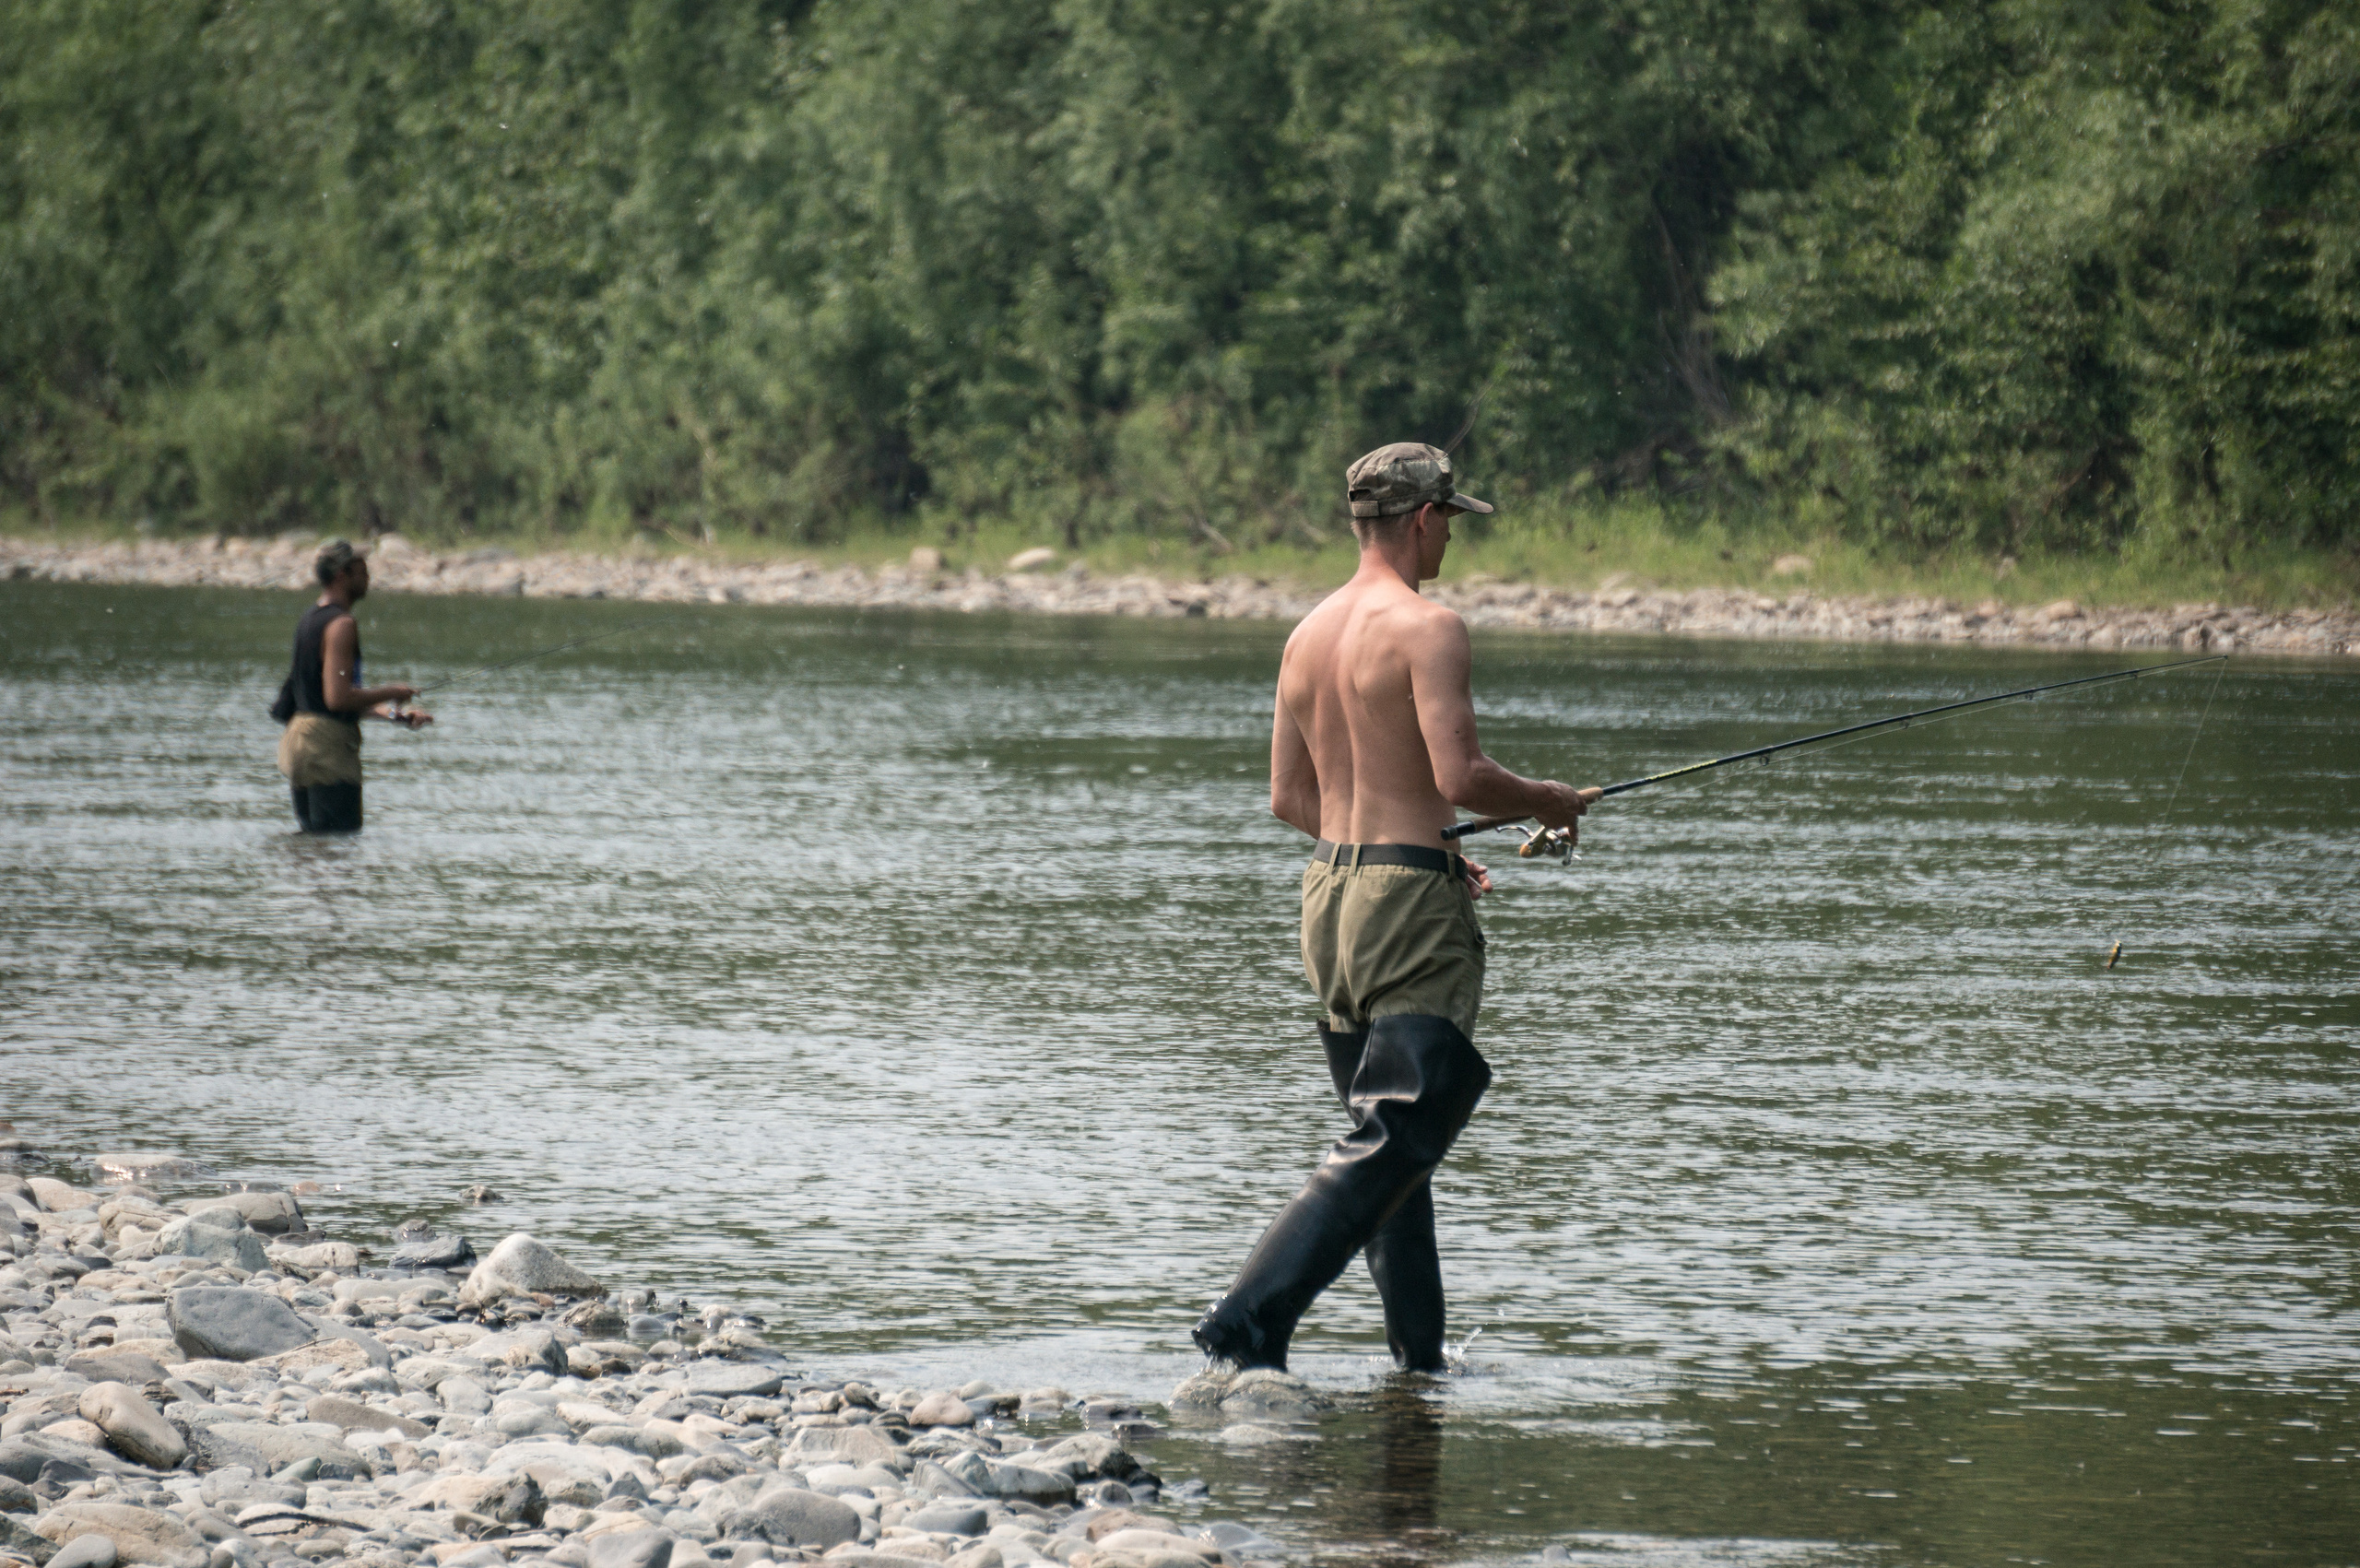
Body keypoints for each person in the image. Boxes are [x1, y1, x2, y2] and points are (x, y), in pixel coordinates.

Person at [1192, 442, 1599, 1373]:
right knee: (1397, 1134)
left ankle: (1420, 1364)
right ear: (1422, 519)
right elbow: (1462, 776)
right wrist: (1548, 800)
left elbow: (1288, 799)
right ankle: (1245, 1320)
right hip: (1405, 907)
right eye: (1449, 519)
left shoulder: (1306, 634)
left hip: (1330, 903)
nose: (1449, 537)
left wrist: (1425, 851)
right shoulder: (1428, 627)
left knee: (1394, 1155)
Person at [272, 539, 431, 831]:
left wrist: (396, 715)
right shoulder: (342, 624)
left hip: (301, 743)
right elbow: (338, 698)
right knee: (340, 842)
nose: (368, 577)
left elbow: (327, 700)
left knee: (314, 843)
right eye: (363, 571)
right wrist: (394, 691)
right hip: (326, 749)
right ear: (342, 575)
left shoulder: (310, 619)